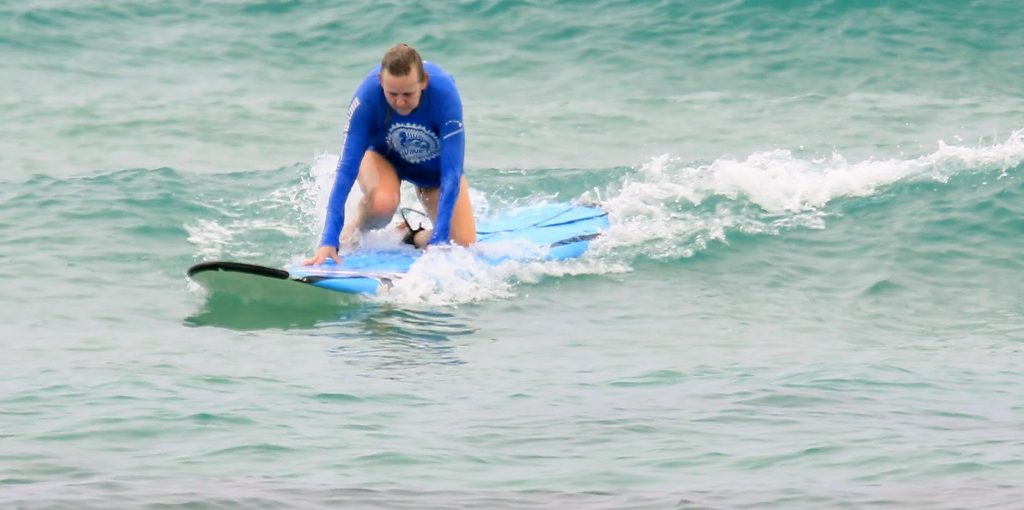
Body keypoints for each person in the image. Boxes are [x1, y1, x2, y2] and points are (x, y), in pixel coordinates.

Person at [304, 43, 476, 265]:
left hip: (430, 175)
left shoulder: (445, 94)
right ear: (380, 82)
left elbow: (452, 174)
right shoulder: (366, 97)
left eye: (408, 94)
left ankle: (411, 235)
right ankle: (354, 230)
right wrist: (328, 239)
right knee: (382, 204)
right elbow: (347, 168)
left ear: (424, 82)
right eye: (392, 94)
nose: (400, 102)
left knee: (462, 244)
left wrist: (439, 243)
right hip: (383, 158)